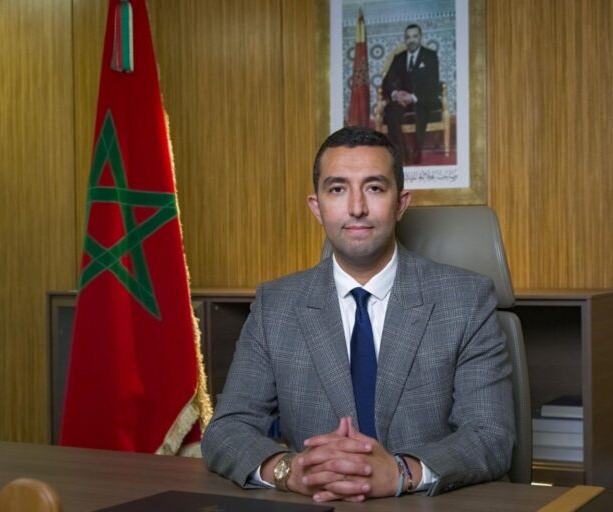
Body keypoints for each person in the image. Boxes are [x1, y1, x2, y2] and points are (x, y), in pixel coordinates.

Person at [201, 126, 514, 502]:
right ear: (317, 207)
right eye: (337, 189)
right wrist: (290, 471)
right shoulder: (276, 306)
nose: (356, 208)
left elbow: (490, 435)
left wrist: (400, 472)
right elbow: (227, 429)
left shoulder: (465, 299)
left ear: (401, 203)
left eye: (375, 188)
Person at [382, 24, 441, 164]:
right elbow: (387, 82)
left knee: (421, 107)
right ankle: (401, 153)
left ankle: (416, 152)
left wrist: (413, 97)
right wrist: (396, 94)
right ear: (405, 40)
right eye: (408, 37)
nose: (411, 40)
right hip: (402, 101)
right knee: (390, 109)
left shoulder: (430, 56)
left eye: (415, 36)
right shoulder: (399, 58)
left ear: (420, 38)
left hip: (422, 99)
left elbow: (433, 84)